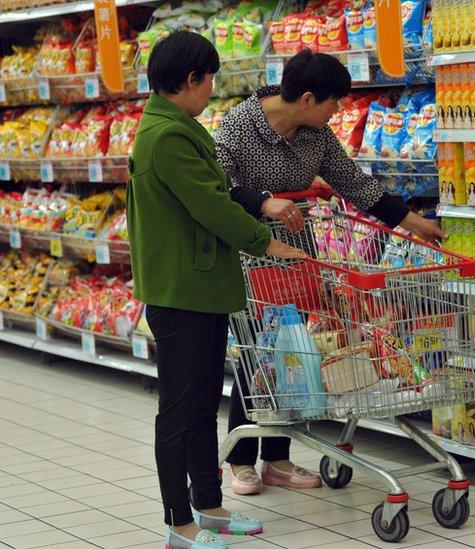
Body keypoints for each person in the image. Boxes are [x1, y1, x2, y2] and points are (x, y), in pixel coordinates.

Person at [213, 50, 444, 496]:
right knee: (260, 349)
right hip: (249, 250)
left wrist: (414, 224)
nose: (337, 110)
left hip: (299, 252)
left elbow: (354, 183)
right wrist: (263, 200)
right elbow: (215, 183)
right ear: (305, 99)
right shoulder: (241, 124)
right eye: (333, 102)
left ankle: (277, 459)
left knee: (293, 348)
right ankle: (242, 460)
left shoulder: (316, 135)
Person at [127, 31, 306, 549]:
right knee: (179, 412)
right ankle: (178, 524)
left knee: (205, 404)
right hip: (181, 292)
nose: (211, 87)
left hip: (199, 286)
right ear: (190, 80)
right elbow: (212, 205)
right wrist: (268, 243)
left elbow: (217, 192)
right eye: (209, 78)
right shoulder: (167, 137)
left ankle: (208, 506)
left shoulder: (177, 126)